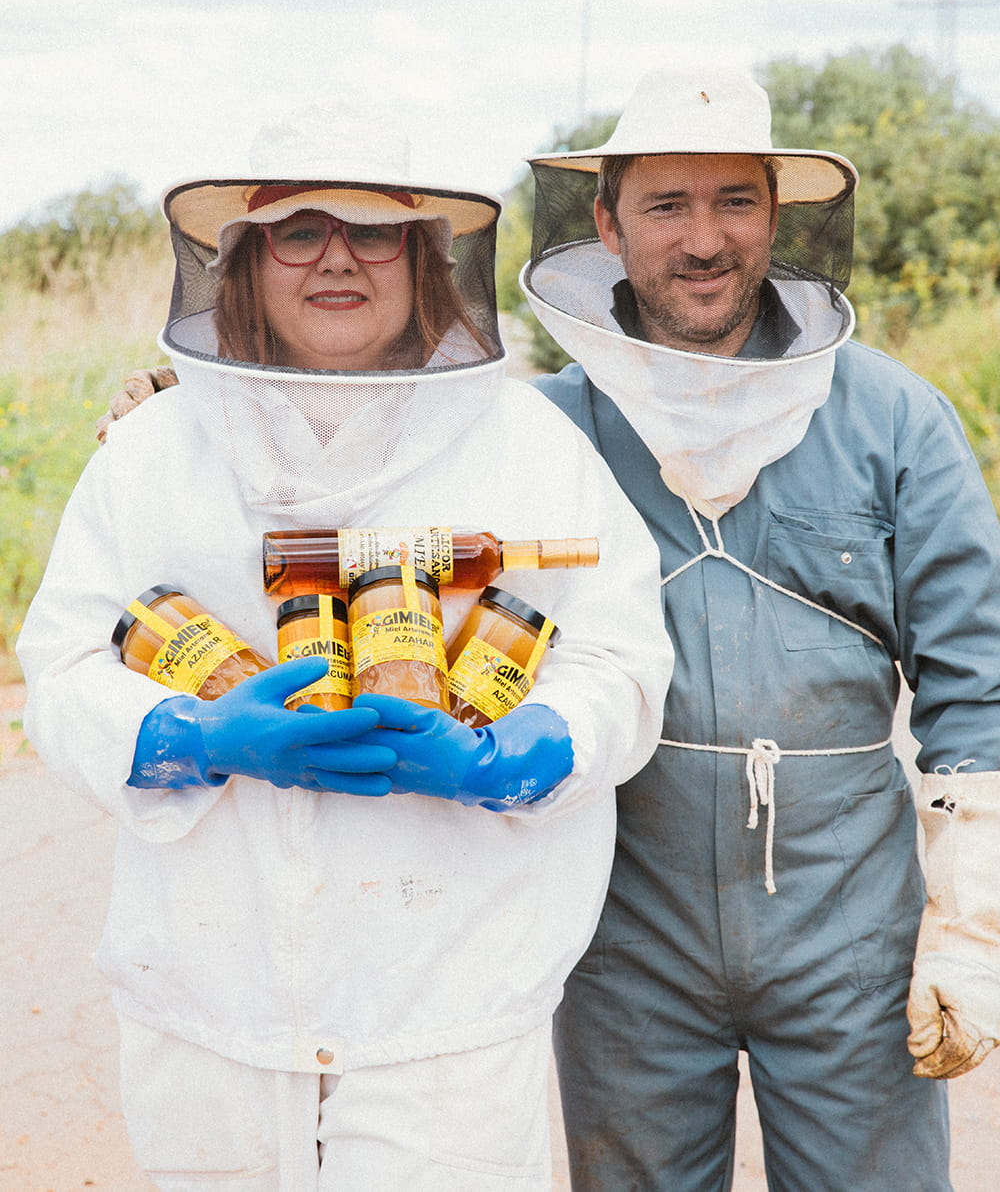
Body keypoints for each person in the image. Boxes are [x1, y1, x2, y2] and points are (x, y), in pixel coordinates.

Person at [17, 100, 673, 1192]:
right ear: (243, 259)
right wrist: (184, 734)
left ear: (424, 260)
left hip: (450, 1010)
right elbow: (64, 667)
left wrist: (529, 751)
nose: (338, 259)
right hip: (205, 1006)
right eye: (300, 228)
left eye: (374, 233)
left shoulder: (527, 445)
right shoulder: (148, 453)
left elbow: (619, 660)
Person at [518, 65, 1000, 1192]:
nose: (703, 240)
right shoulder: (537, 433)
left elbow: (977, 689)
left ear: (776, 216)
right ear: (605, 223)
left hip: (850, 934)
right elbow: (379, 499)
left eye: (734, 200)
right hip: (625, 931)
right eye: (666, 205)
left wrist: (970, 932)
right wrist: (189, 416)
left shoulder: (895, 418)